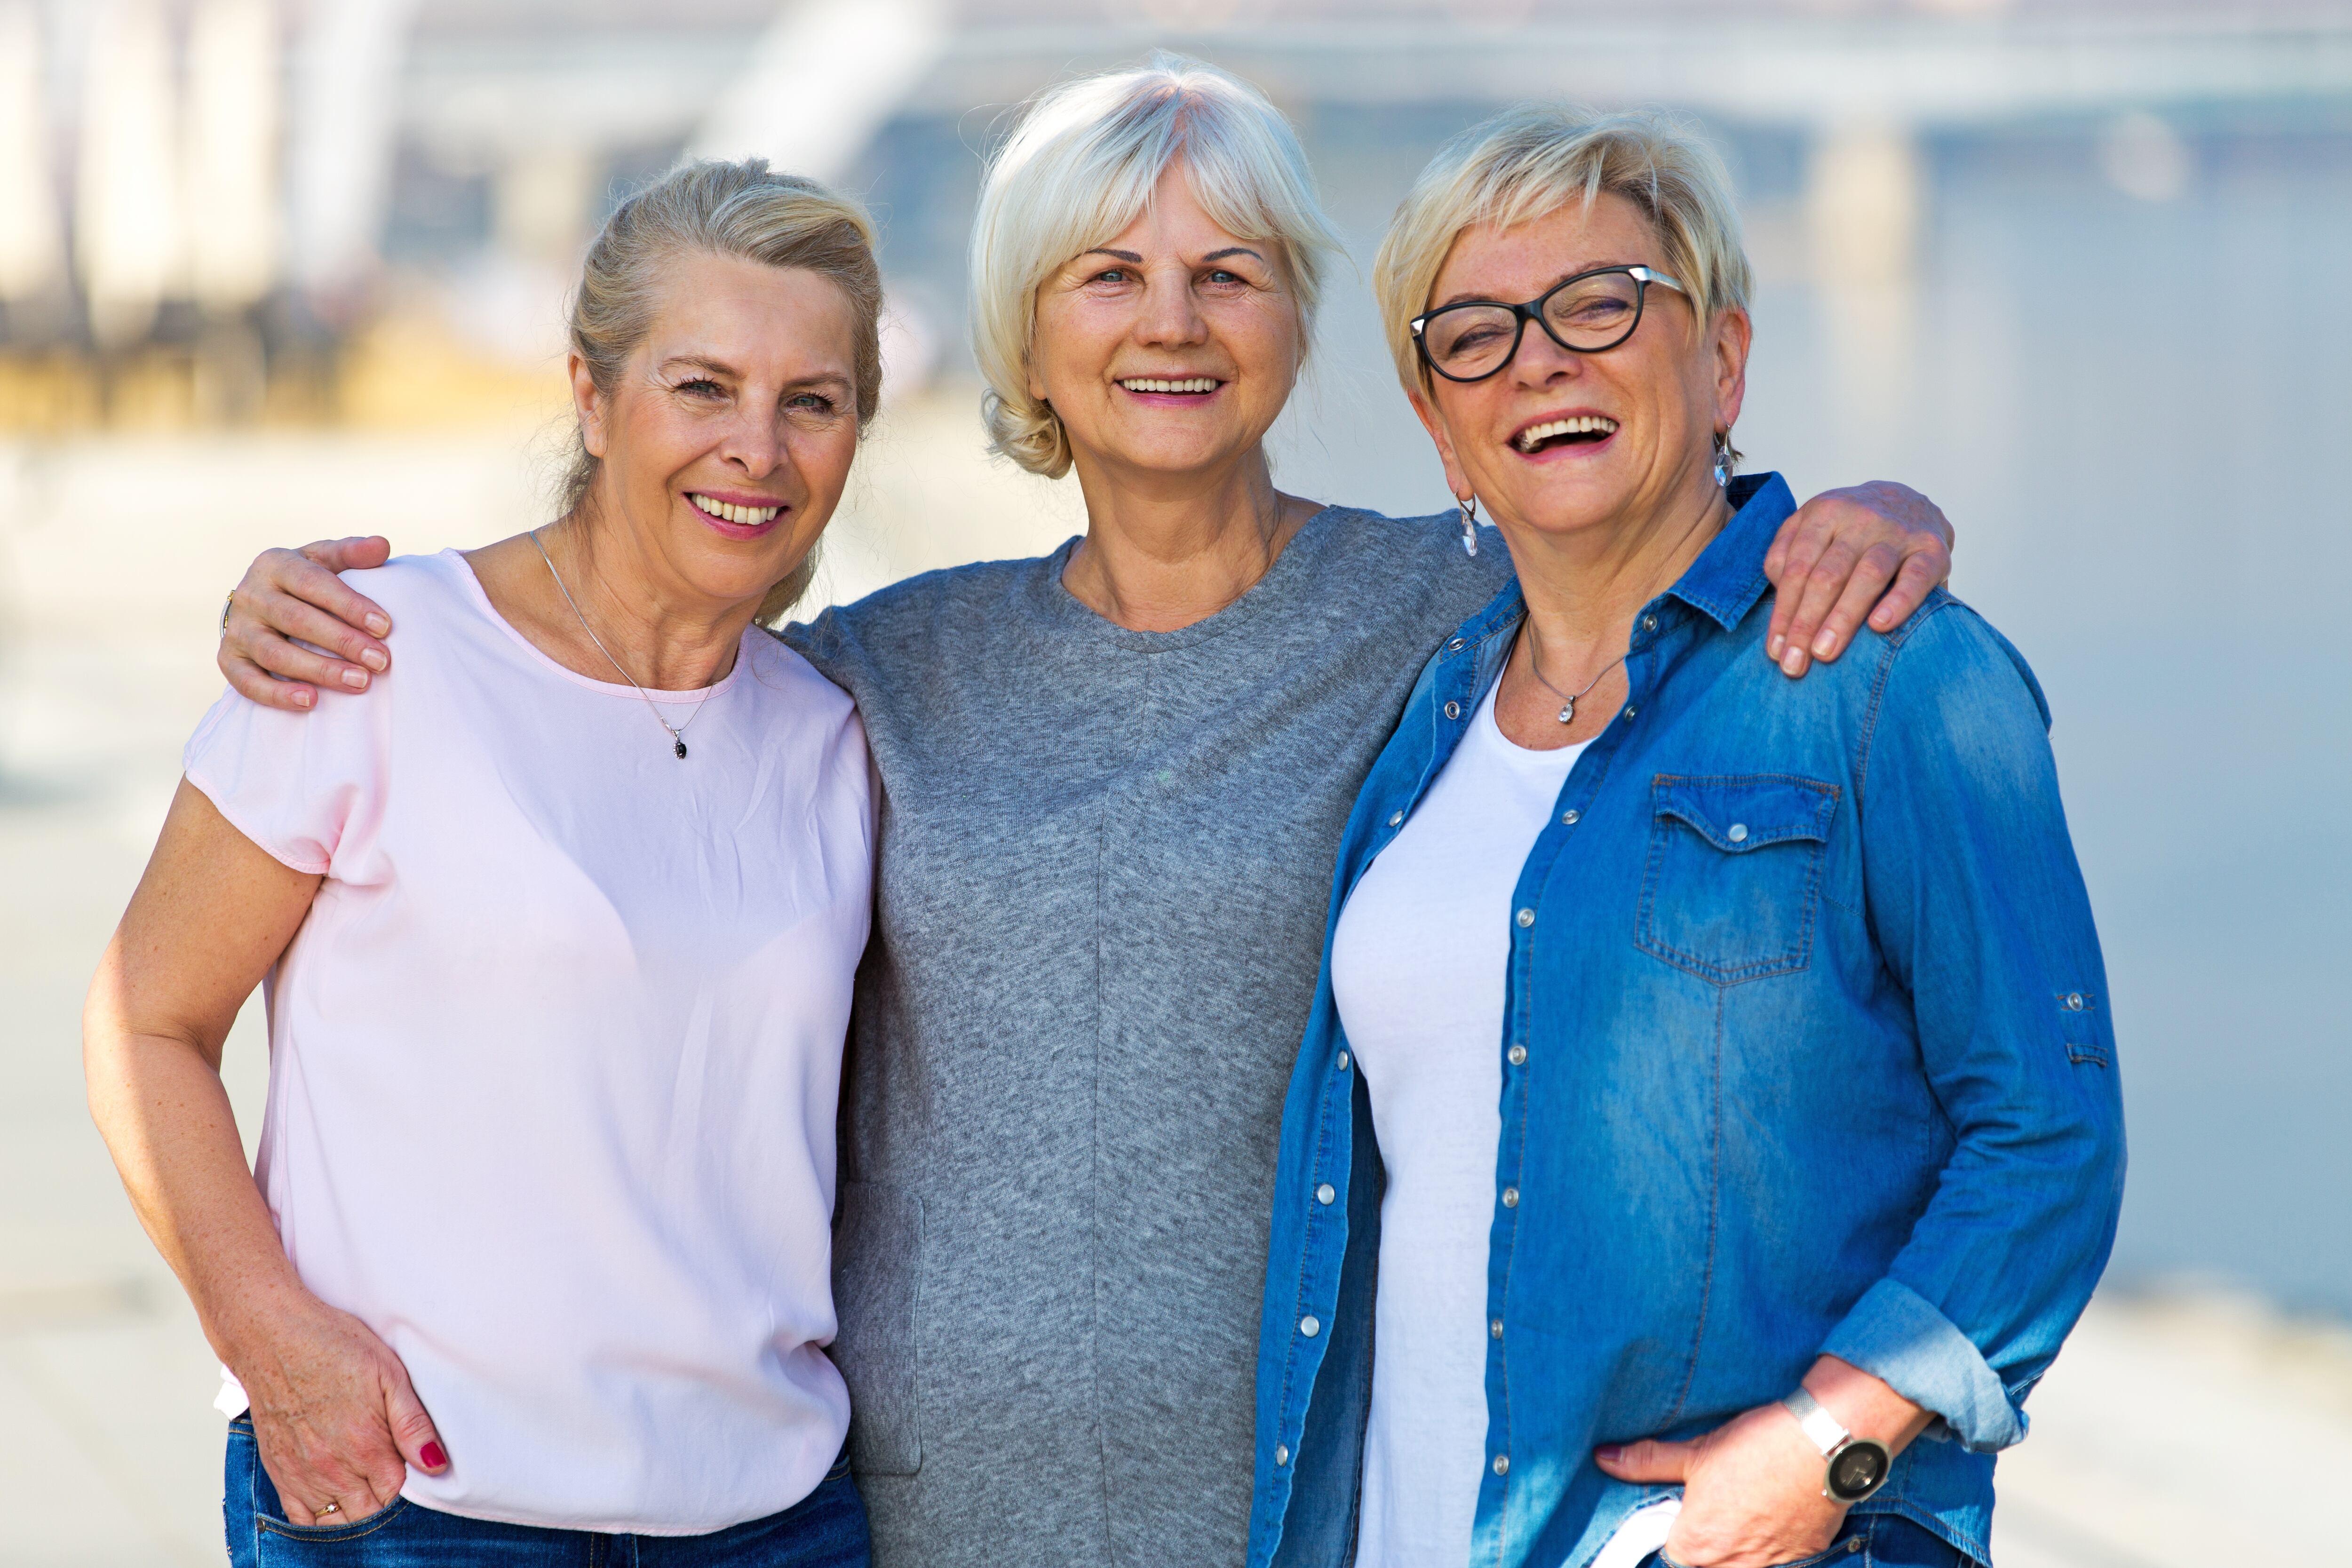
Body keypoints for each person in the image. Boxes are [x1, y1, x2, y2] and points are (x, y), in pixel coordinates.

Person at [211, 59, 1959, 1568]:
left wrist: (1860, 513)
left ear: (1297, 322)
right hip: (890, 1503)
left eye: (1230, 273)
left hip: (1301, 1494)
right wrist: (332, 613)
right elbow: (629, 665)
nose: (1171, 321)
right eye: (1108, 273)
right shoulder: (883, 669)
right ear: (1027, 338)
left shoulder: (1449, 612)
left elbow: (1645, 538)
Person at [1248, 106, 2126, 1568]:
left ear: (1722, 360)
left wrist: (1831, 1440)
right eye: (1474, 333)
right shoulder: (1428, 714)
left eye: (1600, 304)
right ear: (1437, 421)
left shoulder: (1891, 677)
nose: (1539, 359)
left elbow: (2048, 1135)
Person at [85, 161, 881, 1565]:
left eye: (809, 401)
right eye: (701, 387)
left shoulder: (837, 732)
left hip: (771, 1518)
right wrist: (271, 1343)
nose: (756, 447)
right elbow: (145, 1021)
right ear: (590, 394)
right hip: (417, 1507)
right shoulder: (369, 653)